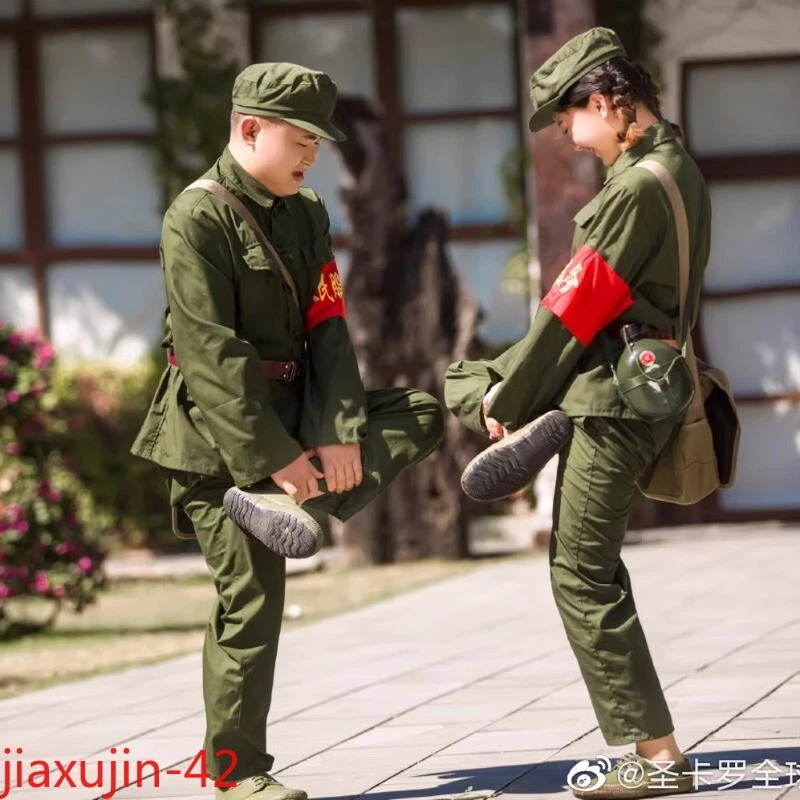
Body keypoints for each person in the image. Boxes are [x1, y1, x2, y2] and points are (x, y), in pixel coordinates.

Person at [131, 62, 444, 800]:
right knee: (251, 598)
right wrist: (272, 460)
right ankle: (238, 776)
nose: (314, 155)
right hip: (218, 436)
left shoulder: (305, 214)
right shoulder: (195, 217)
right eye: (301, 138)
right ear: (250, 129)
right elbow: (212, 357)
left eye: (319, 141)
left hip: (299, 414)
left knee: (422, 414)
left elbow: (328, 327)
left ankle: (294, 506)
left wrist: (336, 433)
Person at [445, 27, 711, 799]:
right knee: (589, 565)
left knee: (580, 573)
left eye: (569, 123)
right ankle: (507, 401)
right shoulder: (677, 169)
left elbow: (572, 312)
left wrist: (510, 398)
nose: (570, 139)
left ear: (603, 101)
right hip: (641, 380)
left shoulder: (630, 190)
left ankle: (657, 760)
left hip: (612, 399)